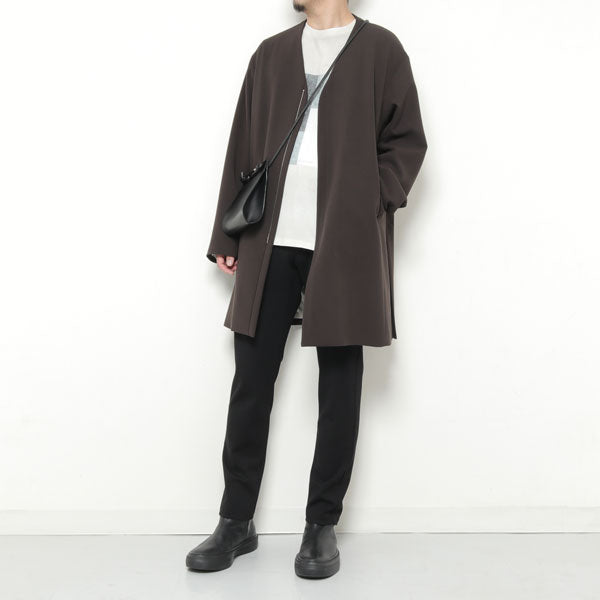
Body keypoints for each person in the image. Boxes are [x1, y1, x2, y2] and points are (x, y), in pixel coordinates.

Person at [187, 0, 427, 579]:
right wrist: (227, 233)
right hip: (269, 241)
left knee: (340, 384)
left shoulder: (381, 49)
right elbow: (243, 146)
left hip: (344, 243)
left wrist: (373, 197)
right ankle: (235, 521)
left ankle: (321, 525)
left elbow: (407, 141)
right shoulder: (271, 55)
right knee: (251, 382)